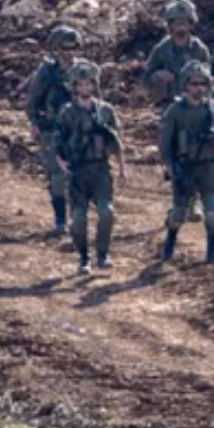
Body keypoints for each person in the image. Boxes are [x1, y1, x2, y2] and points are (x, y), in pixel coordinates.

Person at [158, 61, 214, 264]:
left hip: (208, 168)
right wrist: (168, 164)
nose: (198, 88)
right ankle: (169, 243)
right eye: (193, 83)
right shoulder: (175, 110)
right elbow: (164, 142)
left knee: (213, 211)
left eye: (202, 83)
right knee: (179, 213)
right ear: (185, 85)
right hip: (184, 167)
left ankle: (211, 252)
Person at [53, 61, 126, 275]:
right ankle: (84, 258)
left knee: (107, 212)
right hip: (78, 171)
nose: (85, 88)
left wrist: (122, 168)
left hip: (101, 169)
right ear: (74, 87)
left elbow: (117, 141)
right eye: (81, 85)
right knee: (78, 218)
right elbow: (58, 141)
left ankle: (103, 254)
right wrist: (60, 162)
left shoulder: (106, 111)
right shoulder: (67, 113)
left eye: (89, 84)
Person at [23, 25, 83, 235]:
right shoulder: (46, 72)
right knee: (57, 177)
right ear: (55, 49)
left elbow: (97, 101)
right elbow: (33, 102)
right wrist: (34, 123)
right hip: (53, 131)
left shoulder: (84, 71)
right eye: (64, 48)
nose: (69, 52)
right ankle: (60, 221)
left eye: (73, 47)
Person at [144, 0, 213, 108]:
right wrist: (157, 74)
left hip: (194, 98)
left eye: (185, 22)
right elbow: (146, 78)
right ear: (170, 25)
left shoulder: (199, 49)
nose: (181, 26)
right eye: (177, 23)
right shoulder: (161, 49)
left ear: (191, 24)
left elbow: (209, 77)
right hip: (169, 101)